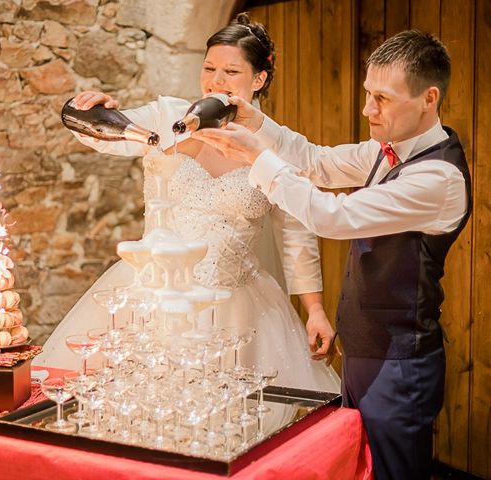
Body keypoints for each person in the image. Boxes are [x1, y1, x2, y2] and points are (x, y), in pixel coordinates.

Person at [193, 29, 471, 480]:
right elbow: (316, 162)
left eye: (381, 98)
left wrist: (256, 160)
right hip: (363, 348)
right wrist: (258, 125)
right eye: (367, 95)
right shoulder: (386, 151)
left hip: (401, 361)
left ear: (429, 99)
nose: (367, 109)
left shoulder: (438, 179)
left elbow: (333, 218)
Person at [34, 13, 340, 393]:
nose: (215, 81)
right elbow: (102, 136)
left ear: (259, 79)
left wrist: (314, 311)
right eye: (209, 67)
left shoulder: (276, 144)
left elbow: (295, 236)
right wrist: (93, 107)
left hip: (236, 306)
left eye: (231, 71)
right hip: (150, 297)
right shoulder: (167, 116)